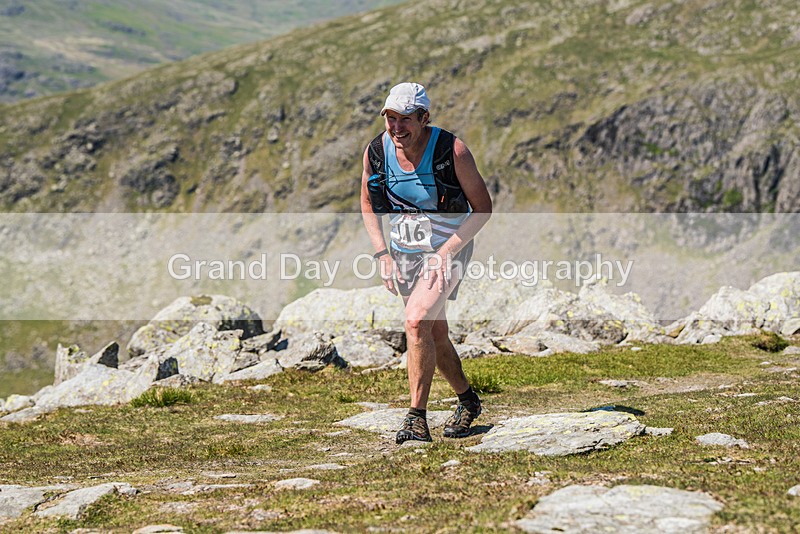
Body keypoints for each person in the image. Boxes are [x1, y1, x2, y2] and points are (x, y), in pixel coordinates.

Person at [360, 82, 492, 443]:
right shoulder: (376, 149)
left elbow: (483, 209)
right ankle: (468, 401)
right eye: (390, 118)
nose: (397, 127)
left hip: (450, 246)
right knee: (433, 331)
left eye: (405, 119)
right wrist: (382, 254)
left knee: (416, 321)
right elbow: (368, 203)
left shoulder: (452, 151)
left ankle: (416, 418)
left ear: (424, 117)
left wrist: (445, 253)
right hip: (404, 250)